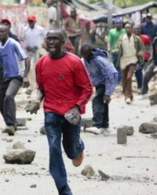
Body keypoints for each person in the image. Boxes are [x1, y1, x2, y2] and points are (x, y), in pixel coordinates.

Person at [25, 29, 93, 195]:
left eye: (56, 39)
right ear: (46, 42)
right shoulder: (41, 63)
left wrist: (77, 108)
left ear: (64, 42)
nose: (52, 42)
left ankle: (78, 145)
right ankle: (64, 190)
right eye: (49, 39)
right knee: (54, 149)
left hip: (72, 115)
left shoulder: (75, 62)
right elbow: (42, 87)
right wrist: (36, 99)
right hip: (51, 112)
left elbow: (88, 89)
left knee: (72, 153)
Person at [80, 43, 118, 135]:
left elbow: (112, 74)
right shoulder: (85, 60)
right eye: (83, 54)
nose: (85, 56)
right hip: (98, 83)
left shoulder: (99, 60)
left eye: (86, 54)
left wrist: (108, 93)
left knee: (97, 100)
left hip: (106, 82)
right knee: (103, 103)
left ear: (91, 52)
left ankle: (96, 125)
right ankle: (104, 126)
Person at [0, 24, 30, 135]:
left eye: (3, 31)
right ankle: (10, 123)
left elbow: (27, 58)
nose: (0, 34)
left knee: (9, 96)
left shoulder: (13, 44)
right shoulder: (0, 46)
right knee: (1, 100)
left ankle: (11, 124)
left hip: (17, 75)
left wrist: (26, 76)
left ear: (8, 32)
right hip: (5, 76)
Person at [114, 23, 144, 104]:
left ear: (132, 29)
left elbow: (142, 48)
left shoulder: (137, 38)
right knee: (124, 79)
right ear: (125, 29)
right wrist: (116, 50)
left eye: (129, 28)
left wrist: (140, 53)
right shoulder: (121, 38)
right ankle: (127, 96)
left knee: (129, 77)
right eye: (126, 28)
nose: (128, 29)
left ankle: (128, 95)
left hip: (133, 59)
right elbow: (117, 46)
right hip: (124, 60)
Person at [22, 15, 47, 94]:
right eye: (29, 21)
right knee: (27, 67)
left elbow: (46, 36)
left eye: (32, 21)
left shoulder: (40, 29)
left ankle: (33, 87)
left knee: (32, 67)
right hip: (28, 50)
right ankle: (31, 86)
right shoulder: (25, 29)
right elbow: (22, 38)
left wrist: (44, 44)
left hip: (36, 50)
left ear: (35, 21)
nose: (31, 23)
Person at [107, 17, 125, 84]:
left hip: (123, 51)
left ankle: (120, 79)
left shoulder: (124, 31)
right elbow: (109, 41)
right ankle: (117, 79)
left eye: (119, 23)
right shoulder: (112, 31)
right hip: (114, 52)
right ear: (115, 24)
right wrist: (109, 48)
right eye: (117, 23)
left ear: (122, 24)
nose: (118, 25)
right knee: (116, 65)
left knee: (122, 65)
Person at [133, 25, 151, 92]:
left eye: (137, 29)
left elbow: (149, 46)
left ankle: (142, 87)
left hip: (143, 58)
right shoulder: (131, 38)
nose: (136, 31)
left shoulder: (145, 37)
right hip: (134, 58)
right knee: (138, 72)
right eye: (135, 29)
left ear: (140, 30)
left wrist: (150, 55)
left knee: (139, 71)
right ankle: (140, 86)